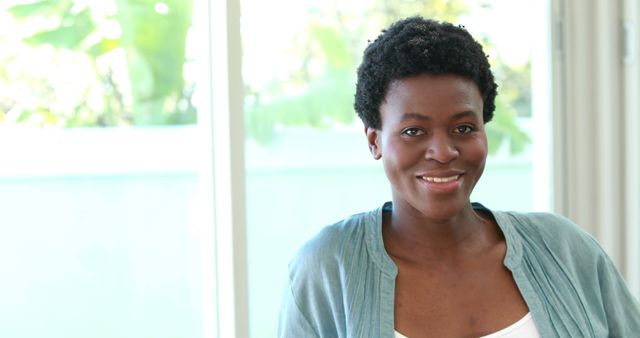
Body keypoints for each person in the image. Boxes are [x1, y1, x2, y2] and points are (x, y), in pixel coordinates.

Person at [278, 16, 640, 337]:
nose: (443, 151)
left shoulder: (566, 250)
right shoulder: (328, 268)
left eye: (464, 127)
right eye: (413, 132)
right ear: (375, 141)